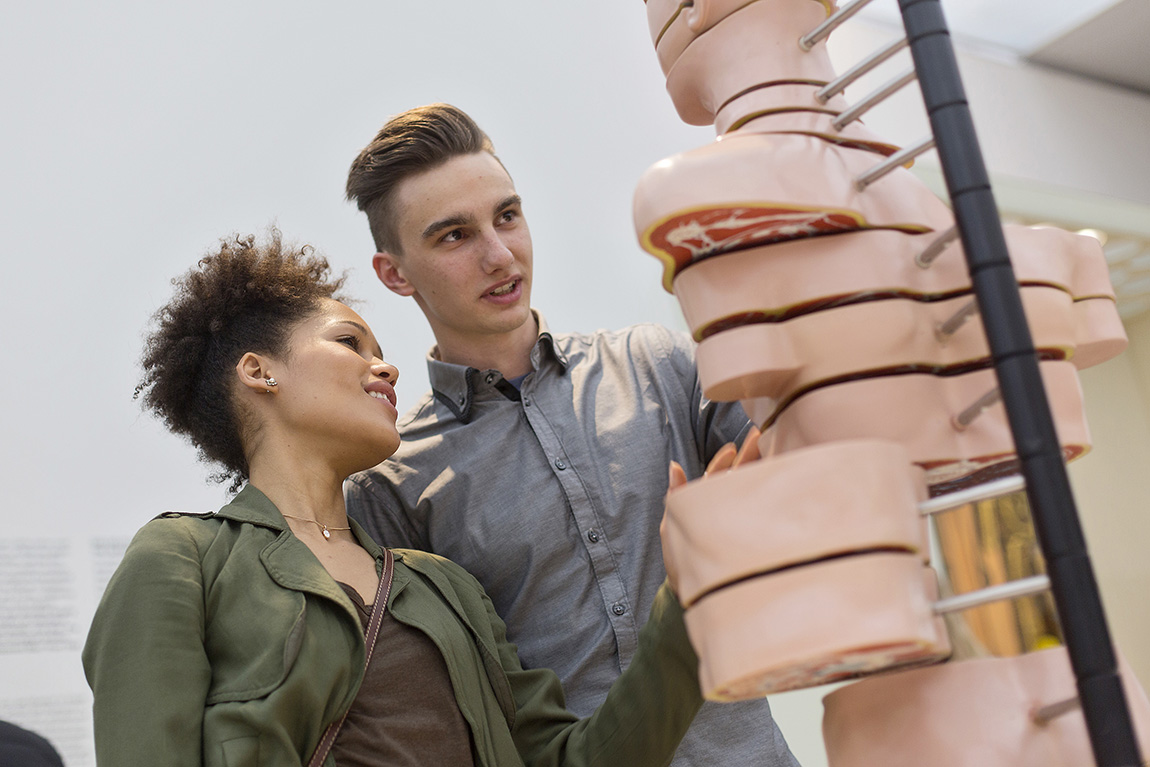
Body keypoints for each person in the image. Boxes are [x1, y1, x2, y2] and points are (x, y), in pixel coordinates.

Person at [82, 231, 706, 767]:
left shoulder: (447, 588)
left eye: (381, 353)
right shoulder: (183, 560)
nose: (387, 369)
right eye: (350, 344)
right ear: (259, 371)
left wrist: (687, 601)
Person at [344, 104, 798, 766]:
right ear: (395, 273)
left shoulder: (660, 365)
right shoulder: (390, 486)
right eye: (453, 236)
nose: (500, 255)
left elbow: (805, 453)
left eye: (507, 215)